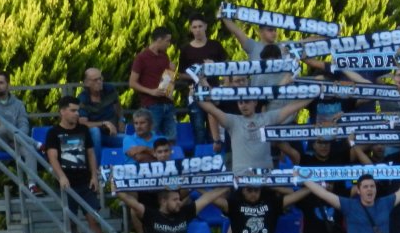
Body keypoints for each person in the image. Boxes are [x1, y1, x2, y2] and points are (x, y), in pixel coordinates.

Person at [44, 96, 109, 233]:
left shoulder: (83, 130)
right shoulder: (53, 132)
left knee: (94, 219)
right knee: (71, 222)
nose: (76, 113)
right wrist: (61, 176)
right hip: (67, 185)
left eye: (77, 110)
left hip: (85, 183)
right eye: (72, 110)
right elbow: (52, 157)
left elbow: (90, 154)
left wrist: (94, 176)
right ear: (62, 111)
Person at [196, 97, 312, 172]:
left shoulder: (267, 117)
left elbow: (291, 108)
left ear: (255, 102)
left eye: (247, 102)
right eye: (240, 102)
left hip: (265, 176)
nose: (243, 105)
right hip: (241, 177)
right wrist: (196, 95)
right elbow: (212, 110)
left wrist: (315, 93)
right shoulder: (233, 120)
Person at [178, 13, 228, 145]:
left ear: (205, 27)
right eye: (194, 27)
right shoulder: (186, 50)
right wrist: (196, 76)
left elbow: (227, 68)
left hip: (214, 93)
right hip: (194, 93)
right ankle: (201, 158)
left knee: (215, 130)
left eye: (200, 26)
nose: (197, 30)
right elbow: (180, 74)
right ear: (190, 29)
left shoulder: (215, 46)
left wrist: (214, 66)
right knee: (198, 128)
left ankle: (216, 156)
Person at [129, 27, 178, 140]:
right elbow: (132, 83)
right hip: (152, 104)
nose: (169, 44)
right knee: (152, 138)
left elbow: (167, 79)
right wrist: (151, 92)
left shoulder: (164, 56)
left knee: (172, 137)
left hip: (168, 103)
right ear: (159, 40)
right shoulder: (141, 58)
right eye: (167, 40)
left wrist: (172, 72)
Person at [76, 67, 122, 158]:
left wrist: (121, 119)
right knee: (95, 131)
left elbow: (118, 107)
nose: (99, 82)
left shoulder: (109, 89)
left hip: (112, 134)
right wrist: (104, 123)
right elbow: (83, 123)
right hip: (94, 137)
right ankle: (96, 169)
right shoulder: (83, 99)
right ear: (87, 83)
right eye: (95, 80)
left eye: (100, 78)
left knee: (130, 141)